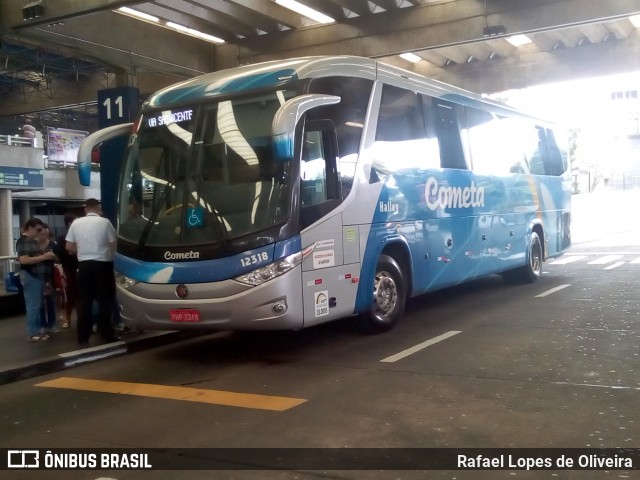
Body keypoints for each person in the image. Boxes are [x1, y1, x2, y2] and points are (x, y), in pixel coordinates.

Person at [66, 198, 117, 345]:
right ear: (98, 208)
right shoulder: (105, 222)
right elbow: (114, 245)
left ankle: (83, 337)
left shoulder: (76, 223)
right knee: (104, 301)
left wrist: (82, 251)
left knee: (84, 302)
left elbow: (69, 247)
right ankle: (106, 334)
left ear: (85, 209)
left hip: (84, 266)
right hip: (103, 265)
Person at [16, 218, 57, 342]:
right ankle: (33, 332)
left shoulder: (30, 241)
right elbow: (23, 260)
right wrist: (44, 257)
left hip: (36, 276)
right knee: (33, 305)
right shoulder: (24, 241)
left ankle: (38, 330)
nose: (40, 232)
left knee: (37, 304)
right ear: (30, 228)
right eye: (38, 229)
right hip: (30, 275)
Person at [55, 212, 78, 329]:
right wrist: (71, 253)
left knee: (81, 296)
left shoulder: (81, 234)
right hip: (70, 269)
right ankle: (68, 319)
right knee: (70, 295)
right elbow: (60, 253)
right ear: (69, 223)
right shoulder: (63, 237)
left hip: (78, 268)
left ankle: (81, 319)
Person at [37, 223, 61, 334]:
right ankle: (42, 325)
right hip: (37, 276)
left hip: (50, 275)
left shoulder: (52, 244)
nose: (45, 236)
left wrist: (54, 256)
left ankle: (52, 324)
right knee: (39, 302)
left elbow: (59, 259)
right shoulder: (33, 245)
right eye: (42, 234)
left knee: (51, 301)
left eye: (46, 234)